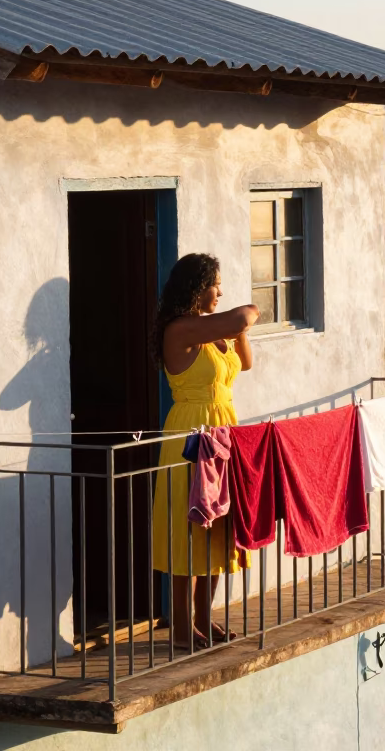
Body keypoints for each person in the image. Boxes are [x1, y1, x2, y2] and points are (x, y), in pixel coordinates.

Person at [151, 253, 258, 649]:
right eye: (215, 283)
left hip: (223, 432)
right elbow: (246, 315)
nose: (221, 290)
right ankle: (180, 627)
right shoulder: (180, 330)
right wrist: (238, 319)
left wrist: (234, 330)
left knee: (217, 529)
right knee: (187, 530)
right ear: (197, 288)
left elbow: (244, 362)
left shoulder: (213, 332)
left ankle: (203, 618)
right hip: (190, 433)